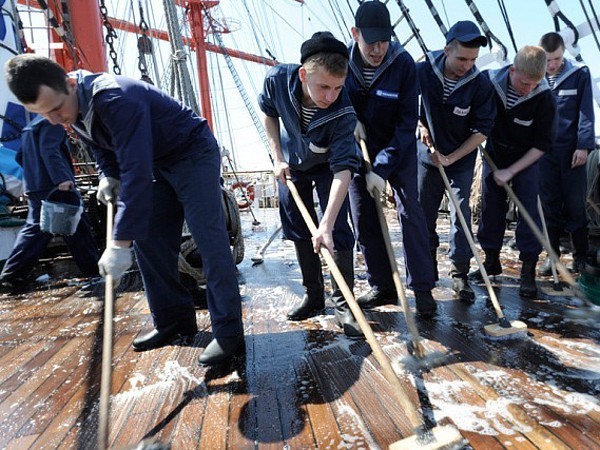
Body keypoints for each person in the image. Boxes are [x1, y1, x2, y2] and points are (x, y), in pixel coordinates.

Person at [5, 54, 244, 365]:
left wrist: (118, 244)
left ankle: (228, 333)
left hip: (190, 151)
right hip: (156, 159)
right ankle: (173, 320)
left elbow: (137, 174)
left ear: (71, 83)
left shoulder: (116, 98)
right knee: (150, 240)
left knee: (208, 239)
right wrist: (107, 174)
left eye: (55, 111)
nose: (54, 120)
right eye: (43, 114)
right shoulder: (70, 104)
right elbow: (101, 145)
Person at [258, 31, 363, 338]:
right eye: (323, 87)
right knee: (296, 222)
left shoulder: (343, 111)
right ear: (303, 74)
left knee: (337, 229)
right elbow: (269, 114)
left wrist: (326, 224)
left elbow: (344, 169)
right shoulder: (276, 80)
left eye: (337, 87)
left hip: (329, 165)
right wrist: (277, 157)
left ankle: (344, 303)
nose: (329, 96)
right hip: (292, 161)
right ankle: (314, 296)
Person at [346, 0, 437, 317]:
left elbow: (406, 123)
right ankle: (382, 285)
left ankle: (423, 288)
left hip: (399, 149)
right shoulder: (343, 63)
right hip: (359, 150)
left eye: (384, 41)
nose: (378, 49)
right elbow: (334, 108)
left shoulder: (403, 64)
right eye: (371, 42)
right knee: (363, 216)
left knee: (411, 211)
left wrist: (382, 169)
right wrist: (348, 123)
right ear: (355, 33)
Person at [415, 20, 496, 303]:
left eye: (473, 60)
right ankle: (427, 272)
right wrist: (419, 125)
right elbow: (406, 106)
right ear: (447, 49)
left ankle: (460, 274)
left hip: (461, 157)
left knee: (461, 215)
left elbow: (482, 131)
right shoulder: (423, 71)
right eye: (462, 58)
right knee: (423, 215)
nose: (467, 65)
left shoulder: (480, 84)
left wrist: (452, 157)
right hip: (427, 156)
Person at [472, 46, 558, 298]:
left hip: (526, 159)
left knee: (528, 209)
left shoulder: (544, 98)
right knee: (491, 207)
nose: (527, 88)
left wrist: (511, 171)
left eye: (534, 84)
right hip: (495, 153)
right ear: (512, 70)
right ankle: (491, 259)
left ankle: (528, 268)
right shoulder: (489, 84)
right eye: (523, 82)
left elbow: (542, 144)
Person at [0, 116, 99, 290]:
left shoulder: (30, 127)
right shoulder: (51, 122)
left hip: (36, 186)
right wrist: (61, 178)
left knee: (38, 229)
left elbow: (20, 156)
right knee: (77, 226)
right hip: (56, 186)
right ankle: (94, 272)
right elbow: (49, 150)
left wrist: (34, 175)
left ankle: (13, 273)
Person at [537, 32, 595, 275]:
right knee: (548, 205)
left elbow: (585, 112)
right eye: (548, 60)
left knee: (575, 205)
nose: (553, 65)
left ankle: (580, 256)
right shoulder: (535, 78)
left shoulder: (579, 75)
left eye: (557, 59)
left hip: (572, 153)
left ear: (563, 54)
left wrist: (583, 146)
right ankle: (553, 257)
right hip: (543, 154)